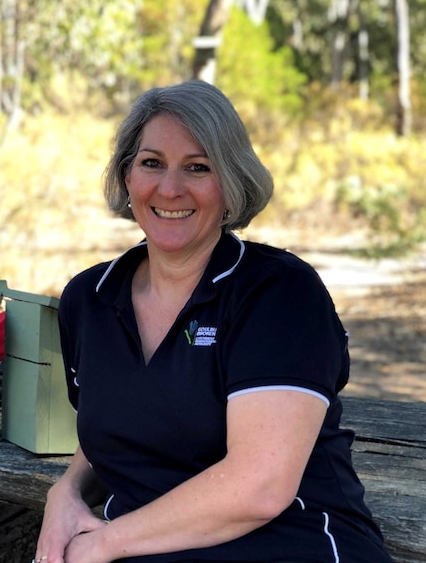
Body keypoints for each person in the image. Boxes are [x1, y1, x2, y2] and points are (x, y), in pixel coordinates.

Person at [33, 80, 391, 563]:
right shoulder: (89, 299)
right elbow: (120, 424)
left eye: (197, 167)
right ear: (127, 177)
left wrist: (105, 544)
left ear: (231, 184)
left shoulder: (278, 293)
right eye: (151, 163)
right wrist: (67, 492)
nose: (170, 188)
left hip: (289, 546)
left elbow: (260, 485)